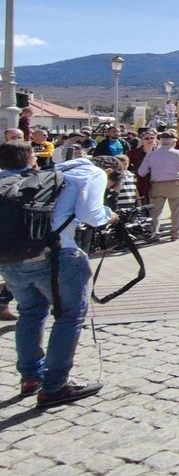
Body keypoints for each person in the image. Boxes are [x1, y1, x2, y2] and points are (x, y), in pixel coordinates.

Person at [0, 140, 116, 406]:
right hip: (57, 255)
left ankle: (30, 378)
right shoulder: (91, 174)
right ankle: (55, 386)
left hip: (11, 258)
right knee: (68, 317)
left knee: (30, 313)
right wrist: (111, 216)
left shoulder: (37, 175)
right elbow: (92, 216)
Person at [137, 130, 179, 242]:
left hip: (156, 185)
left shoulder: (151, 154)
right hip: (175, 183)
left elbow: (141, 172)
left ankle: (154, 234)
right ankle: (175, 234)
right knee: (176, 211)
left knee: (155, 212)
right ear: (174, 142)